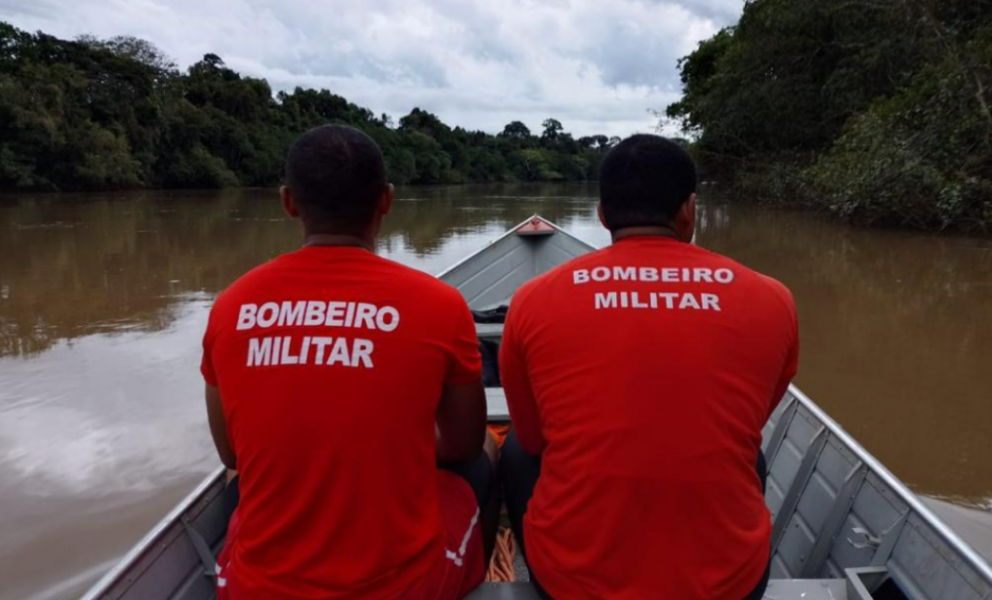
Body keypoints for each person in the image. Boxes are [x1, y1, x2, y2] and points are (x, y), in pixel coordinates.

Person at [200, 125, 498, 600]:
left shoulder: (232, 305)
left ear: (288, 203)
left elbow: (232, 455)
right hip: (402, 588)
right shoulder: (439, 304)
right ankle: (466, 580)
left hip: (255, 588)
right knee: (485, 452)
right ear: (386, 200)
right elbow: (461, 445)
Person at [499, 134, 799, 600]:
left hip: (574, 585)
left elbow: (536, 439)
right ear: (690, 209)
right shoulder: (772, 299)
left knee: (518, 449)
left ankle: (543, 559)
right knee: (749, 452)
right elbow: (749, 421)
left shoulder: (532, 300)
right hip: (730, 585)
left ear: (602, 215)